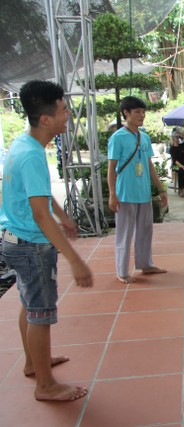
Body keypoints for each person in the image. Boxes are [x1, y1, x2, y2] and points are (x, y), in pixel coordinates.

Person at [0, 80, 93, 401]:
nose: (68, 115)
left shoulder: (24, 144)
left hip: (15, 240)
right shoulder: (32, 155)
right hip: (31, 246)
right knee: (40, 314)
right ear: (46, 119)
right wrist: (75, 260)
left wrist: (62, 214)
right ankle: (46, 385)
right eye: (63, 110)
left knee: (30, 305)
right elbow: (40, 215)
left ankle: (32, 363)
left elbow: (38, 195)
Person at [107, 96, 168, 283]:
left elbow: (149, 165)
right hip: (125, 193)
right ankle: (122, 271)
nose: (141, 115)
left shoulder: (145, 137)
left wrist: (161, 189)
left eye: (143, 112)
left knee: (145, 230)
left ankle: (145, 264)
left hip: (144, 193)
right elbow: (111, 168)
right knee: (124, 233)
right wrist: (112, 194)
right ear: (126, 113)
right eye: (137, 112)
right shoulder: (117, 138)